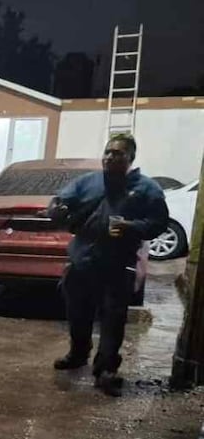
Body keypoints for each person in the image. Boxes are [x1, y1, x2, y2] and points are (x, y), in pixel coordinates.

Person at [46, 134, 168, 396]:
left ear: (131, 158)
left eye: (118, 153)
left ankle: (106, 370)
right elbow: (61, 201)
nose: (111, 157)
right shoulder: (88, 182)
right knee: (77, 313)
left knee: (113, 318)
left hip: (117, 265)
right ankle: (78, 354)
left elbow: (159, 223)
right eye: (108, 152)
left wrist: (131, 227)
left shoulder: (147, 189)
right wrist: (56, 207)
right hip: (82, 261)